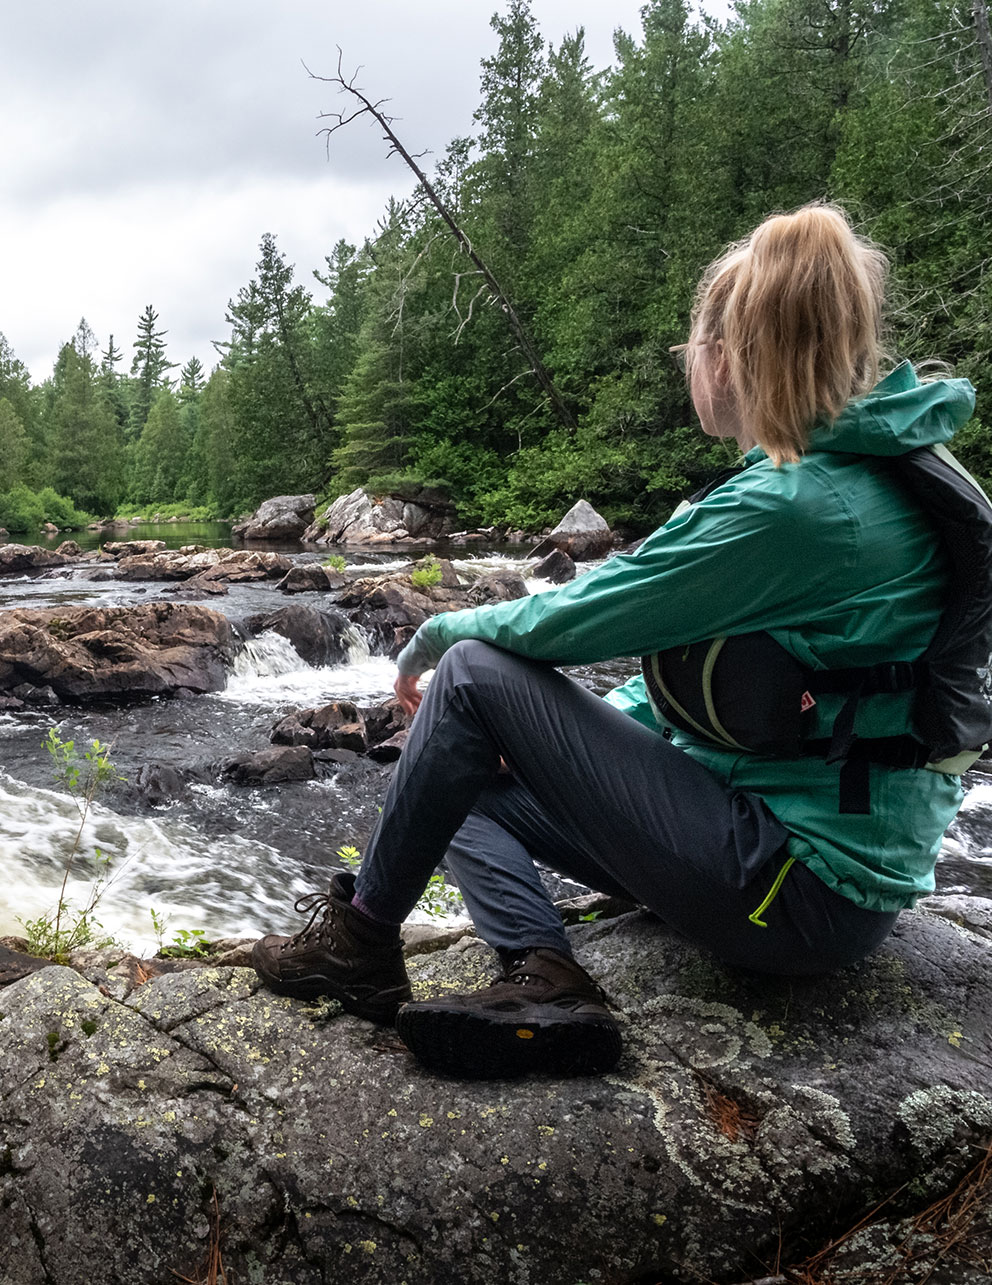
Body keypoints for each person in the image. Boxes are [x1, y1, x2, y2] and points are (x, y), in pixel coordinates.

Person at [250, 203, 981, 1078]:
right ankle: (547, 974)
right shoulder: (867, 478)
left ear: (728, 356)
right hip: (784, 858)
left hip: (797, 892)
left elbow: (570, 618)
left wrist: (439, 634)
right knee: (455, 779)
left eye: (689, 351)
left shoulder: (795, 508)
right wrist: (548, 750)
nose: (687, 370)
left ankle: (359, 943)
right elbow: (718, 684)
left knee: (475, 677)